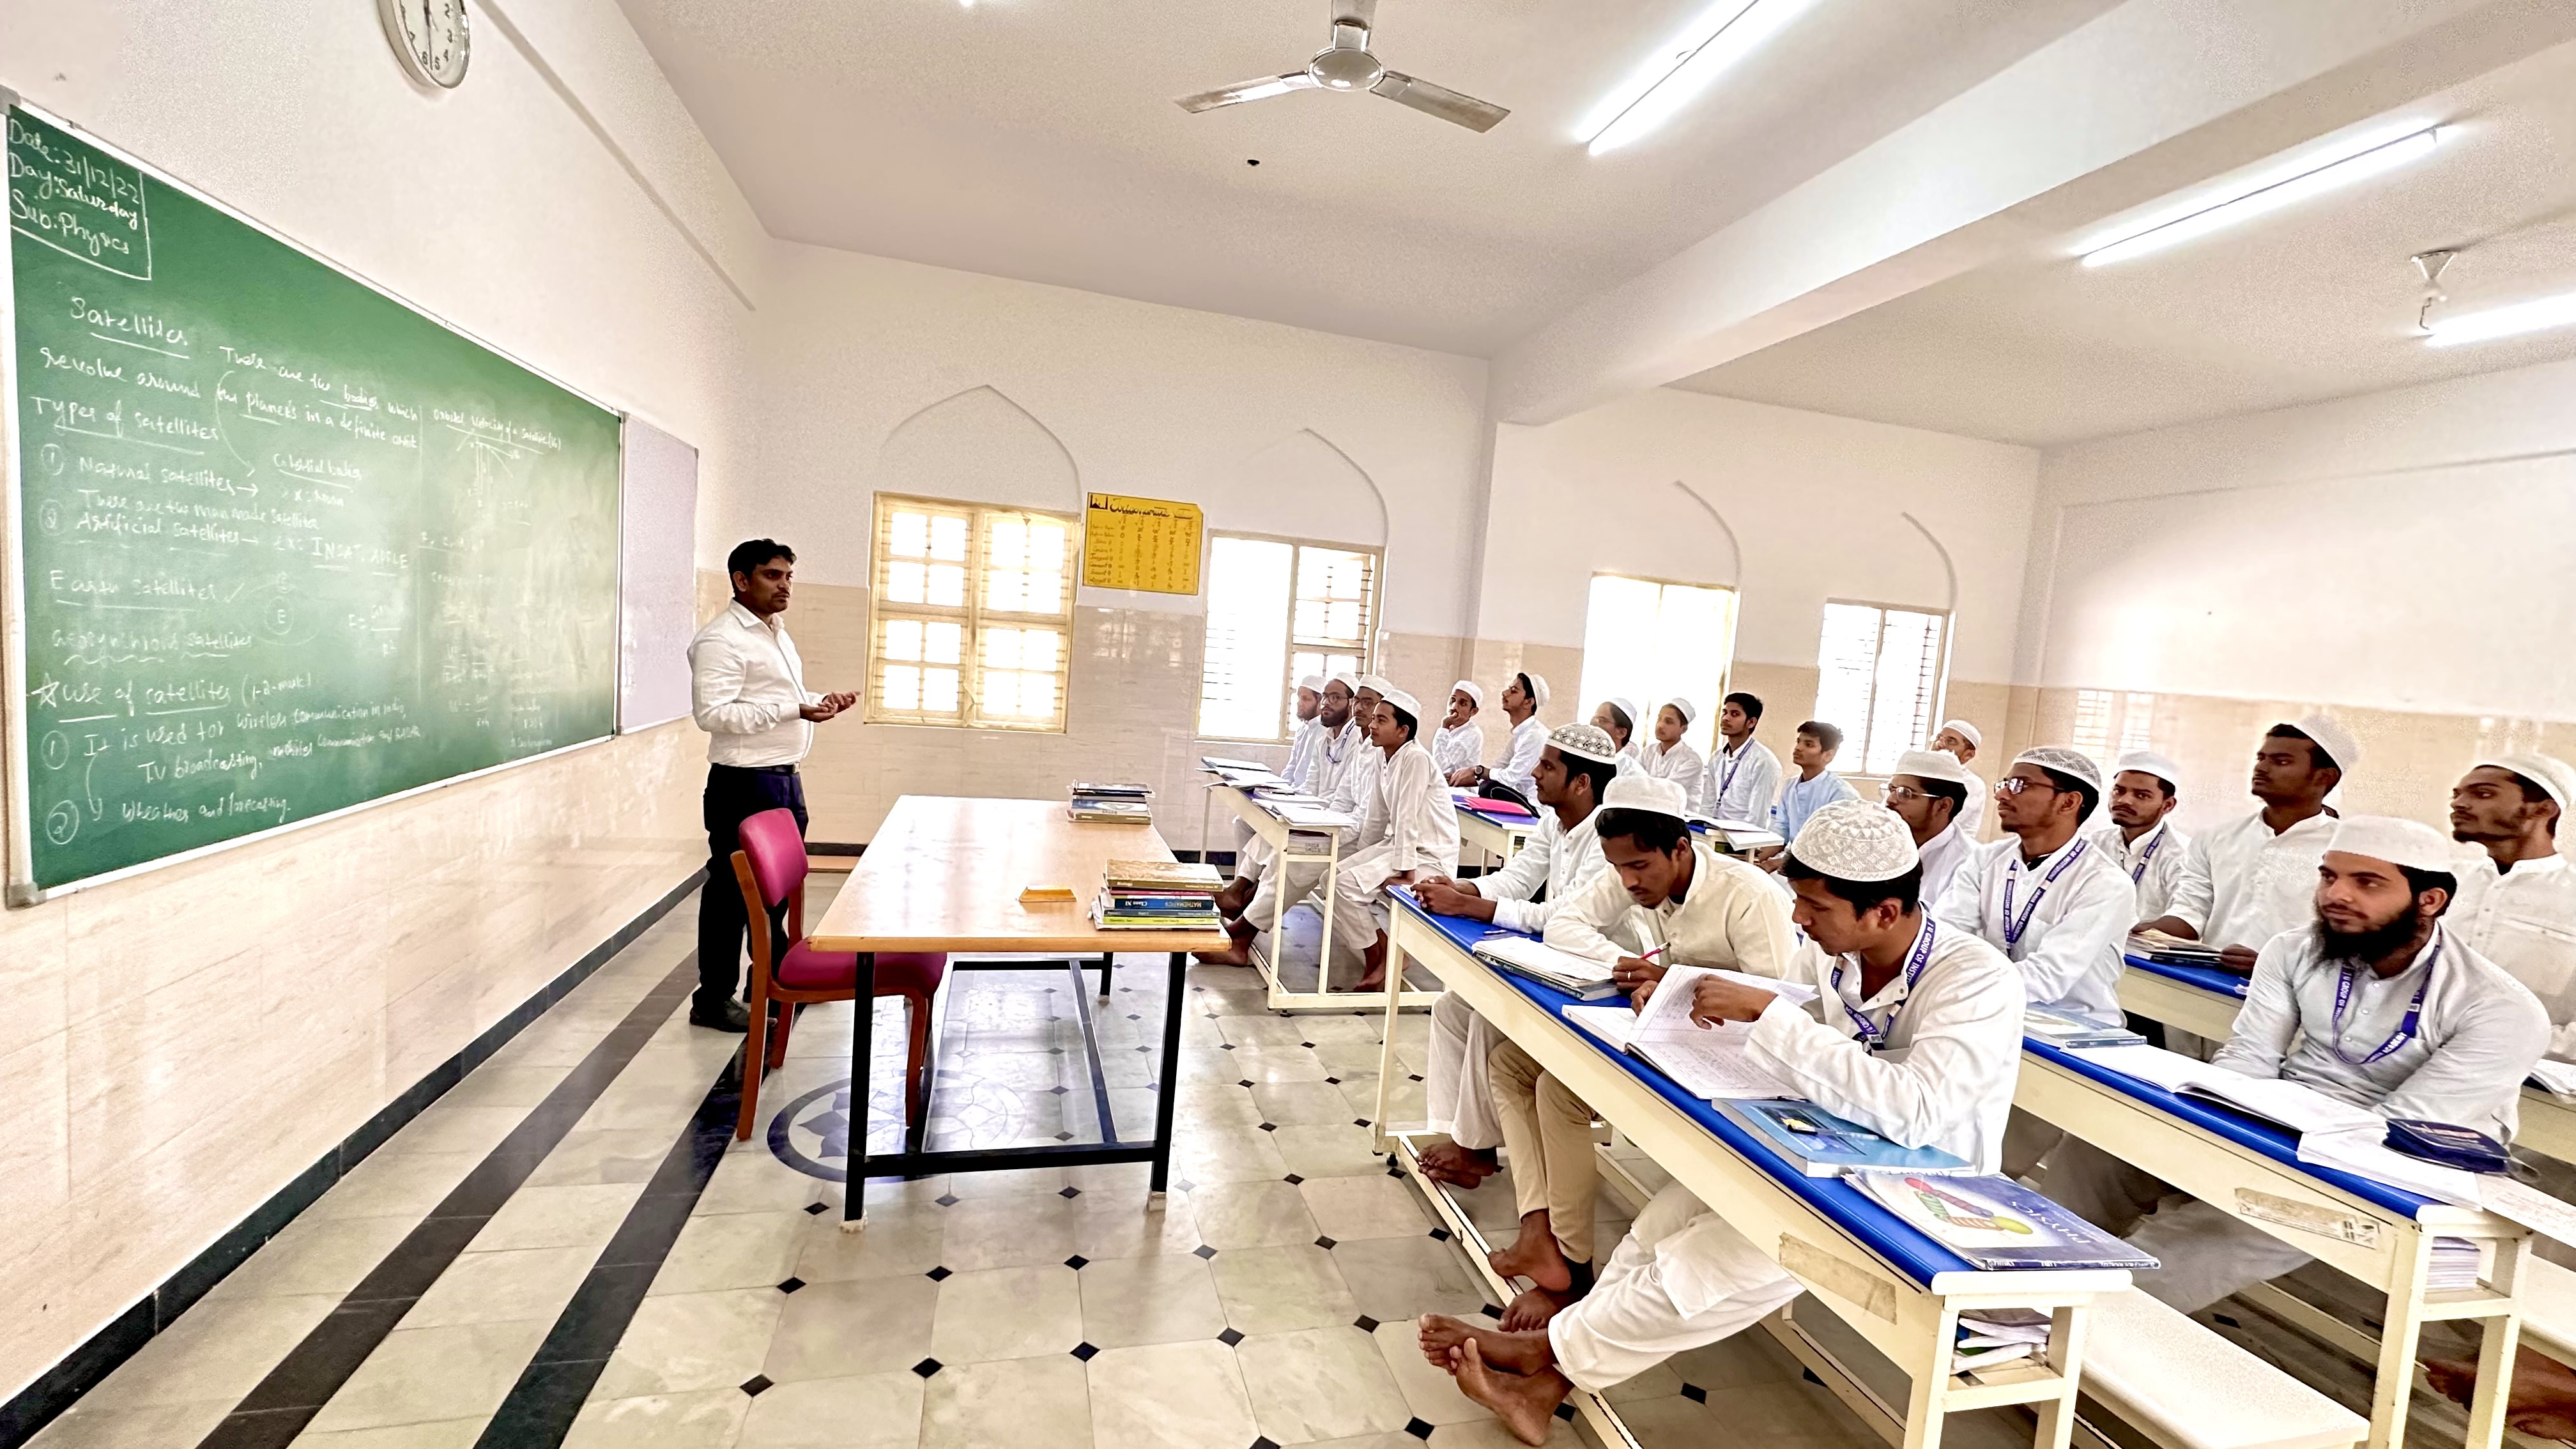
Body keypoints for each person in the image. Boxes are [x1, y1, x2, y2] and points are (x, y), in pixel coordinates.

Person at [1418, 802, 2023, 1445]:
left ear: (1885, 913)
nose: (1798, 919)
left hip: (1910, 1189)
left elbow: (1917, 1109)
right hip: (1817, 1149)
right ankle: (1542, 1387)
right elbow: (1787, 1040)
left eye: (1815, 908)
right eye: (1799, 900)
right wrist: (1683, 1006)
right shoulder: (1833, 953)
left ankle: (1539, 1354)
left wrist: (1769, 1017)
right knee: (1656, 1231)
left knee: (1705, 1267)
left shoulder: (1976, 981)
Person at [2042, 816, 2549, 1313]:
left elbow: (2405, 1131)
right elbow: (2250, 1057)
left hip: (2384, 1178)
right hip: (2276, 1122)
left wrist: (2255, 1157)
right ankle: (2024, 1281)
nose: (2336, 895)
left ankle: (2061, 1338)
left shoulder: (2500, 1008)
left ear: (2430, 900)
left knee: (2204, 1239)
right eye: (2329, 876)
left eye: (2366, 883)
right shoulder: (2293, 951)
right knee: (2093, 1155)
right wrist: (2205, 1129)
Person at [1480, 777, 1797, 1327]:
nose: (1628, 882)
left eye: (1640, 868)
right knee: (1510, 1062)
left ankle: (1574, 1268)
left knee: (1561, 1089)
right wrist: (1624, 971)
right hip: (1668, 1033)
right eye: (1618, 867)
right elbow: (1565, 922)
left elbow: (1779, 1005)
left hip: (1734, 1059)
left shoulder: (1749, 895)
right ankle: (1539, 1229)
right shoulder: (1631, 866)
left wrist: (1669, 978)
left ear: (1681, 847)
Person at [1411, 723, 1621, 1188]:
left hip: (1596, 969)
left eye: (1548, 766)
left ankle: (1476, 1149)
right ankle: (1455, 1131)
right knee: (1452, 1006)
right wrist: (1461, 887)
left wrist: (1472, 906)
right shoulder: (1555, 822)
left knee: (1492, 1010)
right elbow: (1519, 878)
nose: (1534, 773)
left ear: (1582, 782)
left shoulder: (1609, 834)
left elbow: (1563, 916)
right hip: (1553, 956)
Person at [1936, 746, 2136, 1176]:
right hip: (1983, 1018)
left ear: (2069, 801)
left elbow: (2048, 980)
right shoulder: (1985, 860)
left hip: (2069, 1037)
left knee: (1993, 1163)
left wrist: (1956, 988)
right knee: (1948, 1143)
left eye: (2020, 785)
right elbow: (1946, 944)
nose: (2002, 794)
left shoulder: (2104, 883)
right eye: (2004, 783)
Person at [686, 540, 858, 1031]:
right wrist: (793, 709)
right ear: (742, 580)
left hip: (782, 781)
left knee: (775, 895)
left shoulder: (775, 633)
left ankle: (770, 982)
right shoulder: (721, 639)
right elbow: (713, 714)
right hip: (743, 785)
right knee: (731, 896)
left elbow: (779, 697)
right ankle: (713, 999)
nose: (784, 586)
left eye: (787, 577)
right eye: (772, 576)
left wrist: (818, 701)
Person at [1201, 678, 1384, 965]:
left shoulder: (1381, 752)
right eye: (1358, 702)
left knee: (1293, 860)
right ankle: (1240, 905)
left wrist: (1323, 832)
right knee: (1276, 837)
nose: (1361, 709)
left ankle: (1240, 935)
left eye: (1368, 704)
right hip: (1336, 823)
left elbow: (1367, 821)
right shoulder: (1359, 745)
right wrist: (1314, 823)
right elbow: (1338, 799)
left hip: (1360, 840)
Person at [2200, 716, 2356, 972]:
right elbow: (2190, 910)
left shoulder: (2347, 851)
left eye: (2281, 761)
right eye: (2261, 758)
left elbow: (2352, 942)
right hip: (2205, 980)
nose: (2261, 768)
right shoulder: (2218, 838)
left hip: (2300, 993)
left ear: (2324, 777)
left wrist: (2274, 964)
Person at [1330, 689, 1461, 991]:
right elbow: (1377, 816)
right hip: (1400, 846)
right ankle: (1383, 953)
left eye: (1381, 720)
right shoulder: (1382, 754)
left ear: (1403, 731)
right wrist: (1362, 857)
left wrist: (1405, 874)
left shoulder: (1416, 759)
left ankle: (1385, 955)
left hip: (1428, 855)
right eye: (1374, 719)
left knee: (1346, 886)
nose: (1372, 726)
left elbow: (1407, 818)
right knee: (1333, 877)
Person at [2450, 754, 2576, 1059]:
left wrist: (2524, 1047)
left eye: (2483, 794)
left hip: (2537, 1085)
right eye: (2457, 794)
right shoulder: (2445, 881)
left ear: (2544, 809)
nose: (2459, 804)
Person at [1216, 673, 1360, 912]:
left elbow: (1342, 798)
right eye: (1326, 697)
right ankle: (1240, 890)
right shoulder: (1325, 736)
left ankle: (1246, 899)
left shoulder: (1357, 739)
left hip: (1336, 819)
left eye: (1336, 698)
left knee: (1282, 838)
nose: (1327, 703)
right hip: (1316, 809)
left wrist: (1306, 813)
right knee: (1272, 827)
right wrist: (1289, 805)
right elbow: (1310, 783)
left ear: (1351, 704)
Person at [2090, 750, 2213, 938]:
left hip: (2142, 958)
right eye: (2119, 791)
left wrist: (2129, 931)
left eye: (2142, 796)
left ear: (2168, 805)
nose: (2124, 800)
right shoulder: (2094, 843)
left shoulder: (2183, 854)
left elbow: (2188, 918)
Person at [1881, 748, 1974, 906]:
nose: (1890, 800)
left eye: (1905, 793)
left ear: (1943, 806)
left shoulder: (1968, 865)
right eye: (1891, 790)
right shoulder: (1879, 842)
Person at [1770, 721, 1859, 843]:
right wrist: (1762, 856)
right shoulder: (1790, 786)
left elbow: (1832, 843)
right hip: (1791, 856)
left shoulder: (1842, 794)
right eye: (1798, 742)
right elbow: (1782, 828)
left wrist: (1784, 861)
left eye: (1809, 744)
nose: (1798, 748)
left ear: (1828, 755)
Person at [1468, 672, 1550, 806]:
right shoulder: (1521, 734)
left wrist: (1478, 771)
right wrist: (1468, 778)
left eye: (1513, 691)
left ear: (1528, 702)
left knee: (1490, 788)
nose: (1505, 693)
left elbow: (1510, 778)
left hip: (1535, 805)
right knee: (1486, 785)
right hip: (1520, 798)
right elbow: (1498, 767)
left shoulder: (1535, 736)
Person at [1703, 691, 1781, 827]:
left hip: (1741, 838)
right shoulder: (1717, 757)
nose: (1726, 718)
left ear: (1751, 722)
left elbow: (1758, 817)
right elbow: (1707, 802)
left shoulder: (1764, 762)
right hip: (1711, 830)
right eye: (1725, 712)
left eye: (1735, 714)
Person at [1637, 698, 1708, 813]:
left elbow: (1667, 791)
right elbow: (1632, 780)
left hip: (1680, 822)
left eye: (1668, 722)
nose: (1660, 725)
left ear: (1683, 729)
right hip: (1649, 815)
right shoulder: (1648, 752)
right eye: (1659, 719)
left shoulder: (1691, 760)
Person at [1933, 719, 1990, 838]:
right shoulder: (1914, 773)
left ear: (1968, 755)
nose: (1939, 744)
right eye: (1939, 738)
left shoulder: (1972, 785)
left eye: (1950, 741)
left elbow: (1947, 827)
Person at [1432, 680, 1486, 782]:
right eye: (1452, 700)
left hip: (1460, 792)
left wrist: (1444, 727)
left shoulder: (1472, 733)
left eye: (1462, 703)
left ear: (1473, 711)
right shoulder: (1451, 729)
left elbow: (1439, 765)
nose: (1454, 707)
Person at [1591, 697, 1641, 774]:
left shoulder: (1633, 774)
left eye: (1601, 720)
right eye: (1594, 719)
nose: (1593, 724)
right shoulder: (1583, 759)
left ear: (1621, 733)